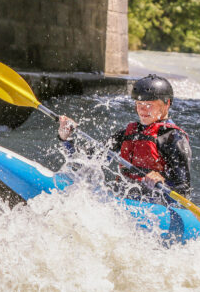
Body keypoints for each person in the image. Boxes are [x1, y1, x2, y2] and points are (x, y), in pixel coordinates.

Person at [58, 74, 192, 203]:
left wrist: (162, 182)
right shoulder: (126, 134)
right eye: (139, 103)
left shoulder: (174, 139)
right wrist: (65, 138)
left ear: (166, 103)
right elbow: (87, 160)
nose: (142, 110)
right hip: (123, 198)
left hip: (155, 206)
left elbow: (184, 192)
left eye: (149, 104)